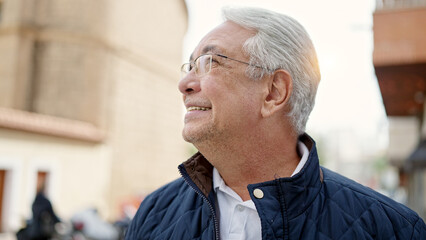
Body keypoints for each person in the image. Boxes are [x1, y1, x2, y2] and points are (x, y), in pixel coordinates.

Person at [125, 7, 426, 239]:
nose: (185, 83)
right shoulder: (153, 214)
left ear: (273, 92)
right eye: (189, 66)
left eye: (210, 62)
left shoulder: (391, 228)